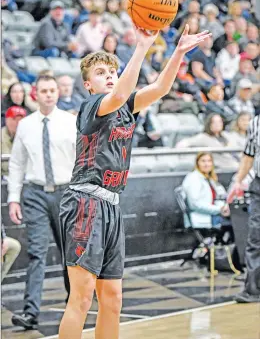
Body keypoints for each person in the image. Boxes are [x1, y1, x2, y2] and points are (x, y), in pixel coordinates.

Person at [58, 25, 211, 339]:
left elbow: (159, 89)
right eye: (102, 72)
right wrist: (141, 47)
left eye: (113, 70)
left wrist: (179, 53)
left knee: (113, 299)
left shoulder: (126, 107)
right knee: (82, 297)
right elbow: (119, 94)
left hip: (112, 205)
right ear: (88, 84)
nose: (110, 75)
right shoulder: (92, 106)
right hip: (86, 202)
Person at [8, 75, 77, 329]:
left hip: (66, 193)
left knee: (69, 252)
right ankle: (30, 312)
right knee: (36, 252)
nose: (48, 95)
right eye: (44, 91)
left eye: (52, 90)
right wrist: (13, 199)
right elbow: (17, 164)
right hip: (35, 193)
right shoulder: (25, 125)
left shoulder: (71, 122)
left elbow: (81, 159)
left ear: (58, 93)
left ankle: (75, 303)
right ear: (35, 94)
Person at [228, 115, 260, 303]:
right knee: (255, 237)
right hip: (259, 184)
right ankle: (253, 290)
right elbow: (249, 155)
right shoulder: (256, 122)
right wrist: (237, 181)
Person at [176, 113, 240, 171]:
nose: (218, 124)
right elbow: (185, 143)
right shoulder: (204, 137)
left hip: (237, 165)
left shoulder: (227, 135)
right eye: (214, 122)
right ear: (209, 124)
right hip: (222, 168)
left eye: (219, 122)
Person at [182, 151, 230, 229]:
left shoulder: (210, 179)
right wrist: (219, 209)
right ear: (197, 163)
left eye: (209, 161)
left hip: (214, 215)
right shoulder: (193, 178)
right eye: (203, 161)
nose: (206, 164)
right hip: (203, 218)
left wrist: (224, 207)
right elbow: (195, 204)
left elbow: (220, 196)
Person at [1, 106, 27, 177]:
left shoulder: (31, 136)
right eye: (14, 119)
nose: (18, 123)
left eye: (21, 119)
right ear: (7, 120)